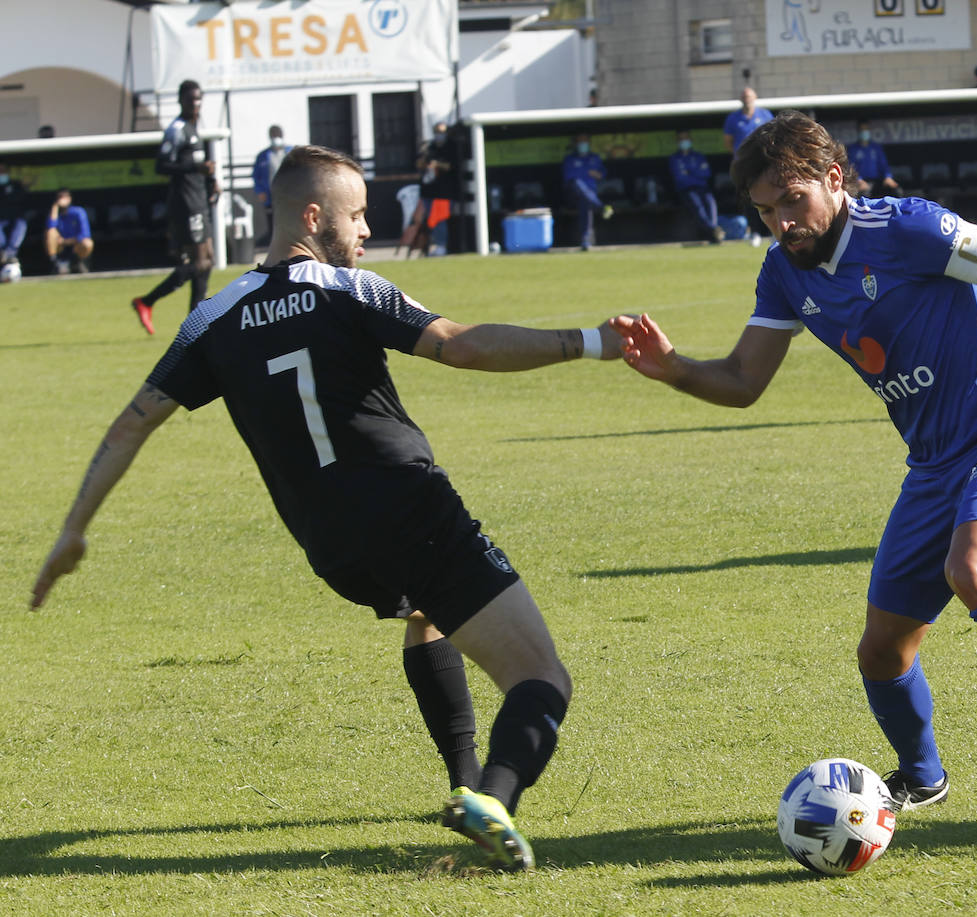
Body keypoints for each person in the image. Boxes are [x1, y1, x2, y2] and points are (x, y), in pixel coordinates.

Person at [31, 144, 625, 872]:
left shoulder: (213, 316)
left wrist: (73, 528)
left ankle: (463, 780)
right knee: (542, 677)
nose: (368, 230)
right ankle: (496, 796)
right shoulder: (349, 289)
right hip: (412, 510)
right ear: (313, 217)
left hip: (331, 546)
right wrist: (591, 342)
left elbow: (133, 421)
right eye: (358, 214)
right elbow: (461, 346)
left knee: (425, 609)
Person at [612, 110, 977, 818]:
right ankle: (922, 774)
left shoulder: (907, 229)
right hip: (932, 468)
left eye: (793, 201)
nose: (782, 223)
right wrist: (671, 368)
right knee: (882, 650)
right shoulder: (785, 274)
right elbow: (741, 380)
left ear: (833, 179)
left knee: (975, 569)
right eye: (766, 211)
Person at [130, 79, 219, 336]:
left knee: (208, 261)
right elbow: (162, 166)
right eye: (191, 99)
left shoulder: (194, 128)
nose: (196, 104)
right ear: (181, 101)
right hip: (186, 202)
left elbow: (198, 166)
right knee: (200, 262)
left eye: (199, 99)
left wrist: (211, 180)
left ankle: (197, 322)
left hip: (199, 199)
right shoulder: (176, 129)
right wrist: (196, 169)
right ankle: (147, 301)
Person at [724, 88, 774, 244]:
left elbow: (774, 136)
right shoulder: (733, 118)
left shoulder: (765, 115)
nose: (747, 100)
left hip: (764, 164)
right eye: (744, 97)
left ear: (755, 97)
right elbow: (728, 142)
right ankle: (755, 233)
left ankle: (773, 232)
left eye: (749, 97)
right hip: (745, 167)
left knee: (771, 197)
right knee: (750, 199)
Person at [668, 129, 725, 243]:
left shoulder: (698, 156)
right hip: (687, 190)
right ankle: (714, 230)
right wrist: (696, 171)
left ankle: (713, 229)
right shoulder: (675, 158)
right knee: (697, 206)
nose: (684, 141)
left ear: (690, 140)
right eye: (681, 139)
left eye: (686, 138)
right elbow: (680, 178)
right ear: (677, 141)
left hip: (703, 188)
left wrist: (689, 171)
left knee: (711, 203)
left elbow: (706, 173)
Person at [562, 132, 613, 251]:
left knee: (585, 202)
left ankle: (585, 241)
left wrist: (597, 174)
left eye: (585, 141)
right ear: (575, 144)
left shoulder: (595, 158)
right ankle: (601, 207)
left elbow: (603, 174)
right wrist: (588, 173)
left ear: (589, 143)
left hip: (591, 195)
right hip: (572, 195)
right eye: (580, 142)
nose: (583, 144)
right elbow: (570, 177)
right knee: (578, 183)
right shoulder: (570, 159)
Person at [417, 121, 458, 256]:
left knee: (440, 219)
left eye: (442, 132)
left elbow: (451, 166)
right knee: (430, 220)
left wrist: (437, 164)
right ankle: (431, 246)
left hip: (444, 192)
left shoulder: (451, 147)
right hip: (429, 191)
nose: (439, 135)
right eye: (437, 132)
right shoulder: (429, 146)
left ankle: (441, 246)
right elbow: (419, 163)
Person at [252, 125, 292, 246]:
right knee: (273, 223)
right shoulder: (263, 156)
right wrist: (260, 191)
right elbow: (256, 176)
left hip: (289, 194)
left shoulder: (290, 152)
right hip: (271, 195)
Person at [44, 188, 93, 274]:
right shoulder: (55, 213)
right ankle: (54, 263)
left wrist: (66, 241)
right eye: (59, 197)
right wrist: (55, 206)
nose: (61, 199)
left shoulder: (78, 211)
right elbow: (50, 226)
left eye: (64, 197)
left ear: (69, 199)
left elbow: (85, 234)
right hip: (60, 247)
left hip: (75, 246)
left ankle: (79, 263)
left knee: (87, 243)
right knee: (50, 232)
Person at [846, 120, 901, 196]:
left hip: (877, 181)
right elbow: (850, 168)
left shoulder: (876, 148)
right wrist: (859, 180)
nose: (864, 132)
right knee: (864, 193)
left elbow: (884, 165)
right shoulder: (853, 149)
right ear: (858, 131)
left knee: (896, 191)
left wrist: (888, 177)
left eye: (866, 130)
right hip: (862, 182)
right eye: (862, 130)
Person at [0, 162, 26, 267]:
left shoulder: (16, 185)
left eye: (3, 170)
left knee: (20, 224)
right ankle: (3, 253)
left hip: (15, 217)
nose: (1, 173)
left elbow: (20, 198)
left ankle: (9, 254)